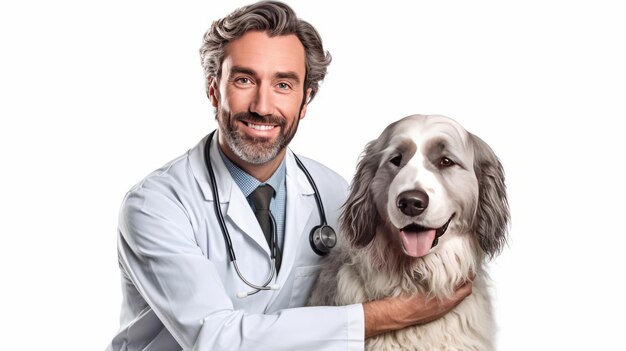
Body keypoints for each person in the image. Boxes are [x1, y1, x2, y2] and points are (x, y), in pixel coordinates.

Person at [106, 2, 473, 350]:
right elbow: (214, 339)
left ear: (305, 99)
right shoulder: (156, 205)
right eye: (245, 80)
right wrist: (385, 316)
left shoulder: (332, 193)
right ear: (213, 89)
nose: (263, 107)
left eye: (283, 84)